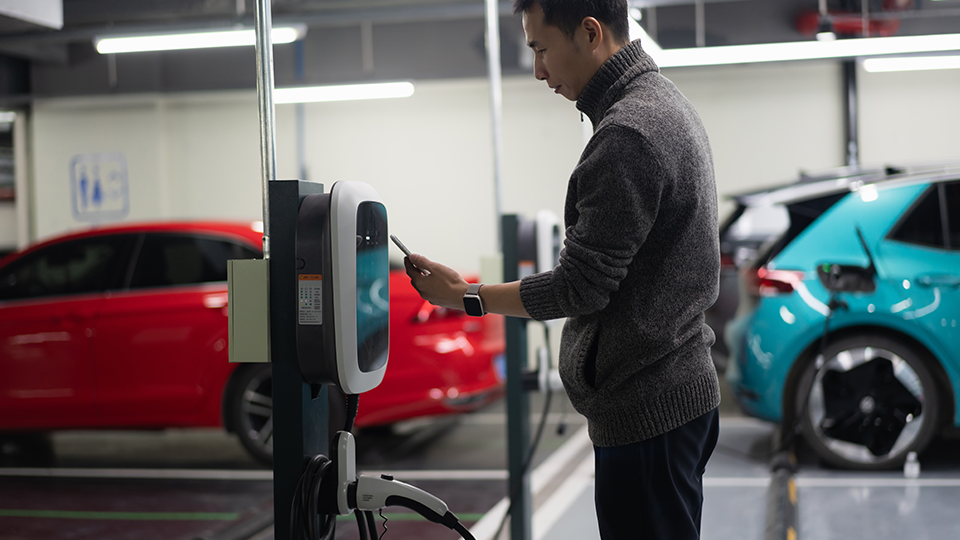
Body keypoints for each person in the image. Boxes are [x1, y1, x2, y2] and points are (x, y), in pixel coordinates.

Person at [402, 1, 721, 538]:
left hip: (647, 410)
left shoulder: (628, 135)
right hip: (674, 393)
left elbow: (580, 287)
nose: (539, 71)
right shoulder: (664, 104)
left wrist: (464, 294)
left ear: (591, 33)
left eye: (542, 49)